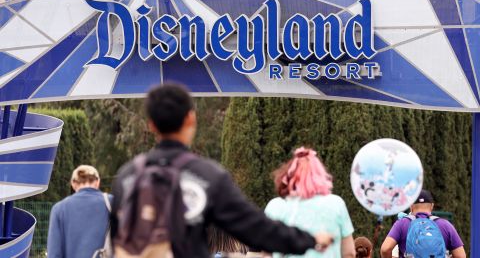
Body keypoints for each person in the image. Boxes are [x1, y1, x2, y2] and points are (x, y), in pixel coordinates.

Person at [110, 84, 334, 258]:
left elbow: (116, 237)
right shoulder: (207, 176)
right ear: (191, 119)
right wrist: (310, 239)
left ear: (151, 125)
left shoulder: (127, 175)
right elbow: (256, 229)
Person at [264, 147, 356, 258]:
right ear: (320, 175)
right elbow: (349, 253)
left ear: (288, 176)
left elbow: (265, 254)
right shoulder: (336, 204)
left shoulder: (274, 206)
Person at [47, 165, 111, 258]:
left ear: (73, 184)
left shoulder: (59, 209)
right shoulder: (112, 203)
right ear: (97, 182)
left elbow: (54, 253)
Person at [380, 190, 466, 258]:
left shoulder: (402, 224)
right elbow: (461, 256)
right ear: (432, 206)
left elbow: (385, 249)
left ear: (411, 206)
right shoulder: (445, 225)